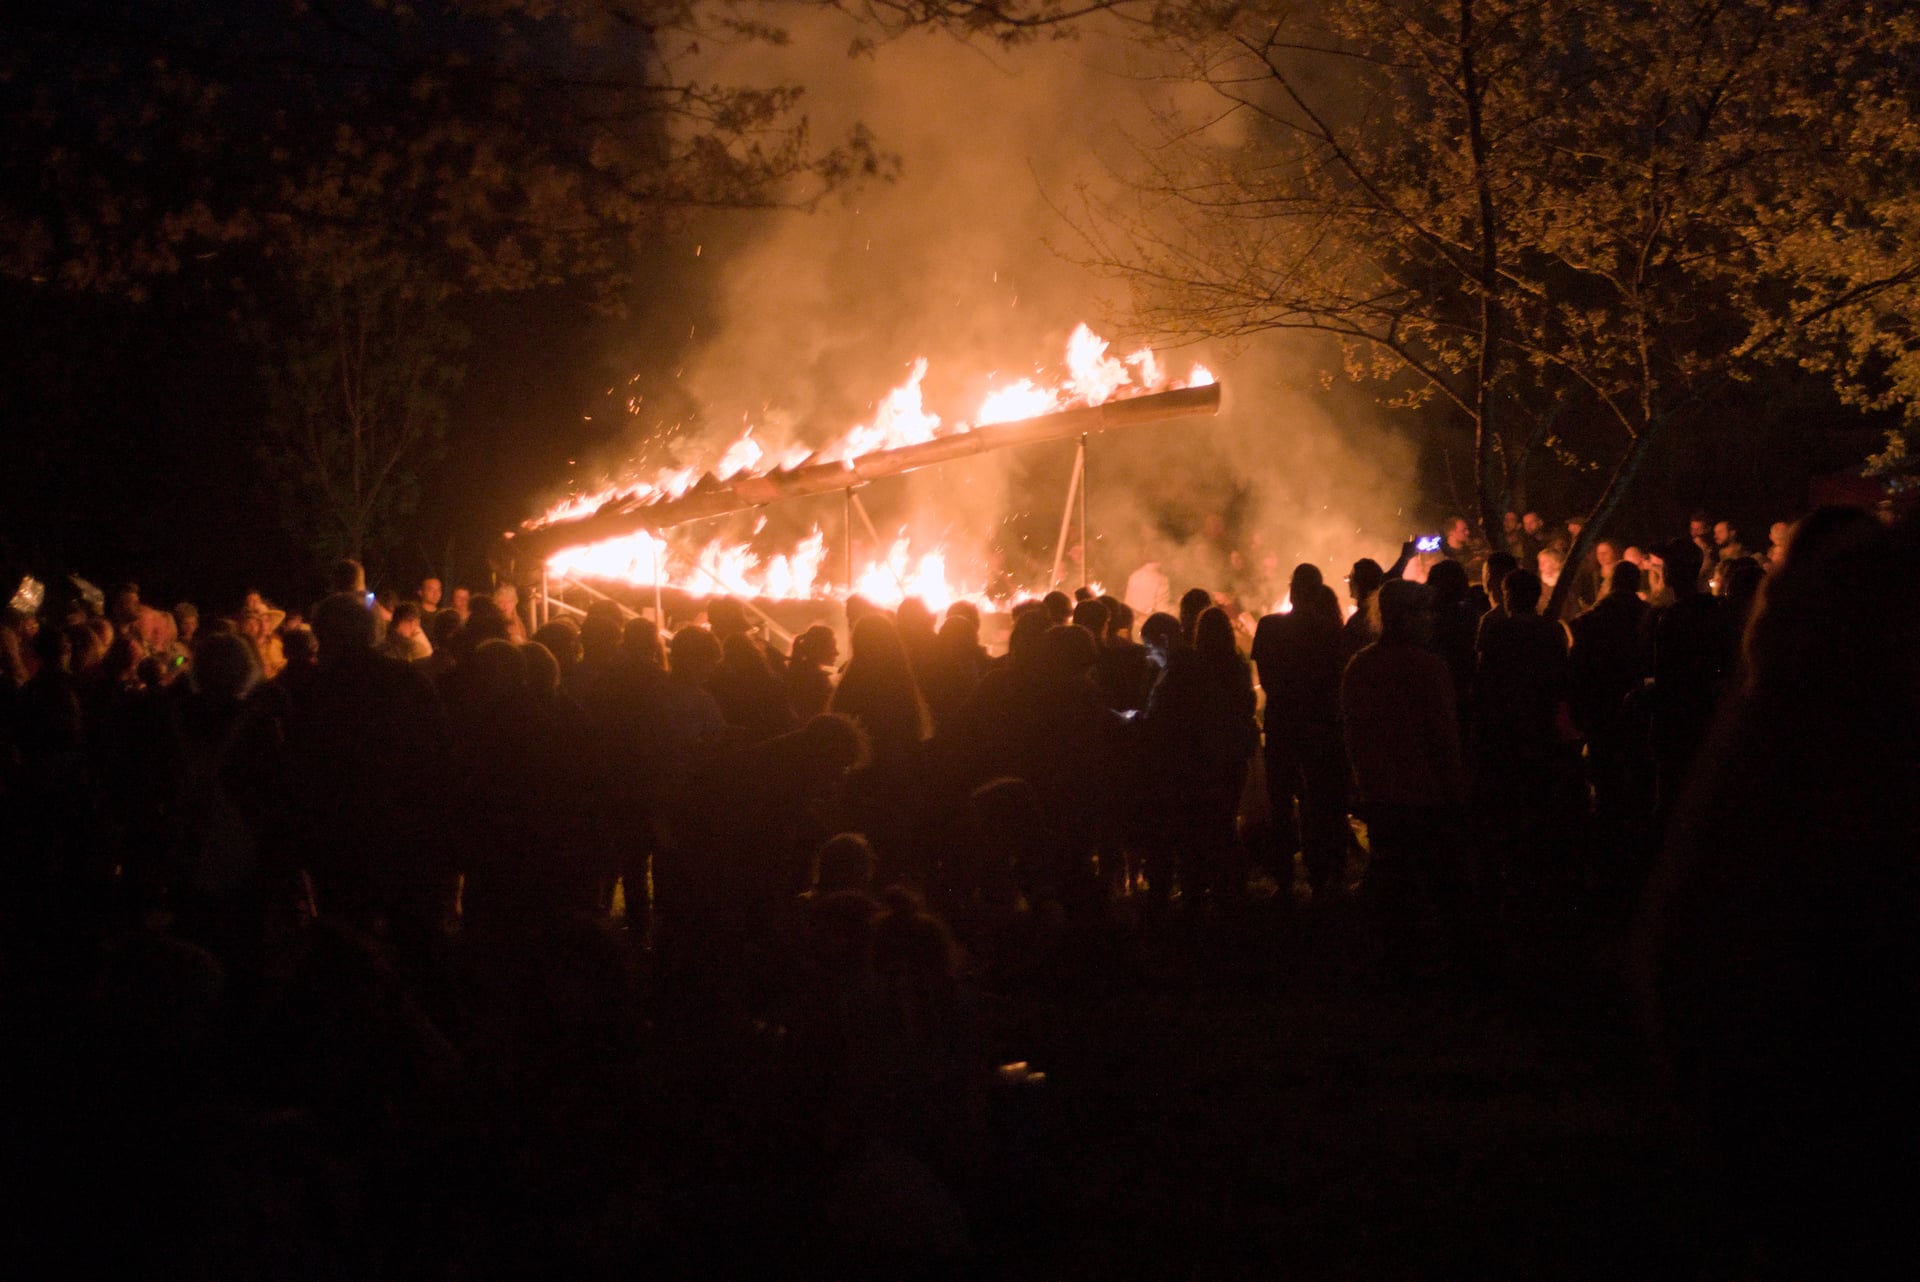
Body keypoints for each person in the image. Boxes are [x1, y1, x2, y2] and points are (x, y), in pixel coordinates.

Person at [1342, 580, 1470, 956]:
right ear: (1404, 617)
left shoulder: (1360, 665)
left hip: (1380, 791)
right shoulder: (1428, 667)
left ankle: (1384, 949)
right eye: (1423, 611)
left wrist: (1362, 783)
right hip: (1424, 792)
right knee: (1429, 877)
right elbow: (1443, 735)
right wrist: (1456, 787)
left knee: (1390, 873)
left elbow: (1353, 733)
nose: (1430, 619)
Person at [1140, 606, 1258, 909]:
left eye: (1151, 646)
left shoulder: (1189, 668)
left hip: (1205, 758)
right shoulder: (1235, 665)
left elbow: (1178, 717)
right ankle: (1229, 888)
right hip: (1230, 755)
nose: (1148, 654)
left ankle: (1206, 891)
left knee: (1199, 827)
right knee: (1222, 823)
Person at [1252, 574, 1348, 897]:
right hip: (1318, 723)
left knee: (1280, 800)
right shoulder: (1330, 631)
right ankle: (1320, 873)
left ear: (1292, 592)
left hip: (1281, 722)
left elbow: (1265, 677)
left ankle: (1283, 876)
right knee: (1316, 798)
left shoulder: (1268, 627)